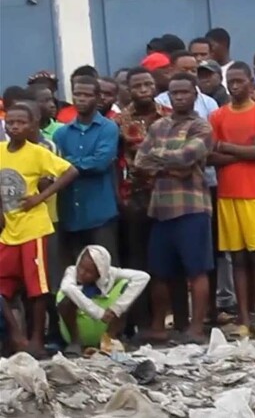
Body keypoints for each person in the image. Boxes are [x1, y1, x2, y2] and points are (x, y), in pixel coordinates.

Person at [134, 73, 214, 344]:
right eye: (174, 93)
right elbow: (139, 161)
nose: (179, 97)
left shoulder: (201, 127)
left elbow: (187, 156)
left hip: (192, 207)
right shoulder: (158, 126)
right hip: (160, 209)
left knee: (197, 270)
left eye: (184, 92)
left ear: (195, 95)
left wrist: (163, 160)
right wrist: (174, 166)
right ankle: (158, 326)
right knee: (160, 271)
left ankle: (196, 327)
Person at [0, 102, 79, 356]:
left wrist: (41, 196)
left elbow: (70, 171)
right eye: (10, 122)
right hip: (8, 229)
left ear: (32, 125)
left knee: (37, 288)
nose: (14, 127)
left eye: (20, 122)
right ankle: (16, 336)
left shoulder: (38, 152)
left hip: (34, 229)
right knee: (3, 287)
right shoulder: (0, 150)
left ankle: (36, 339)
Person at [208, 62, 255, 339]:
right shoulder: (217, 116)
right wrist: (245, 150)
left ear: (251, 82)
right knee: (237, 259)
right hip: (227, 195)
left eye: (240, 81)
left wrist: (227, 148)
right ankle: (243, 320)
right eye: (231, 82)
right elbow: (210, 156)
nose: (235, 86)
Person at [113, 67, 169, 335]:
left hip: (166, 195)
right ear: (129, 90)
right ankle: (139, 322)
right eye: (138, 86)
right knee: (136, 261)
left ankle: (166, 321)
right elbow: (115, 161)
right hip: (134, 198)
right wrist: (118, 197)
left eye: (148, 84)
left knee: (163, 260)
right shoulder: (118, 121)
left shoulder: (168, 117)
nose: (144, 89)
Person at [52, 76, 120, 262]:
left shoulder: (108, 128)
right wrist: (73, 164)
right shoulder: (61, 133)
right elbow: (54, 166)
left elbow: (100, 162)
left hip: (100, 213)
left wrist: (68, 163)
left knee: (107, 269)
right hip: (70, 214)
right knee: (74, 272)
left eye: (87, 95)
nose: (80, 99)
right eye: (77, 94)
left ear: (97, 98)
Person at [56, 245, 149, 354]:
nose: (81, 273)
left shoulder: (110, 274)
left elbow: (143, 277)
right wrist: (99, 313)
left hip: (105, 324)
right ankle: (75, 342)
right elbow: (67, 287)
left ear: (100, 273)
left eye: (89, 272)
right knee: (67, 299)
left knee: (125, 286)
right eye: (80, 267)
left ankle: (110, 339)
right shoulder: (71, 271)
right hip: (78, 328)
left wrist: (116, 308)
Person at [156, 52, 220, 119]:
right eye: (184, 70)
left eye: (193, 70)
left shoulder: (209, 103)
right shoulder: (160, 101)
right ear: (171, 70)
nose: (189, 74)